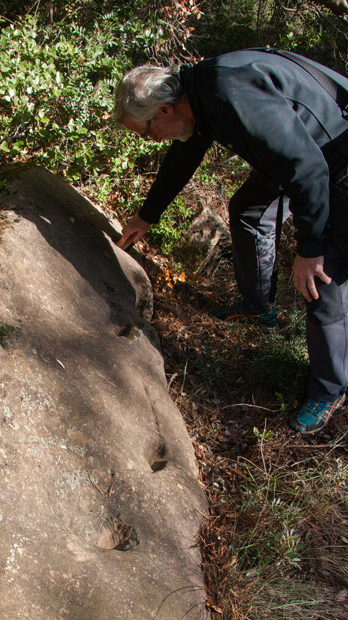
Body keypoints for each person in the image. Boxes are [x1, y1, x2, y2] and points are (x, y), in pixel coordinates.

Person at [113, 49, 348, 435]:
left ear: (166, 111)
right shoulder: (199, 94)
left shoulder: (227, 93)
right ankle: (259, 307)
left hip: (333, 162)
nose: (152, 140)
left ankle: (330, 388)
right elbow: (185, 153)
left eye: (147, 131)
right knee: (249, 210)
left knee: (324, 280)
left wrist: (309, 249)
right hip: (305, 154)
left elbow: (307, 168)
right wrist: (148, 214)